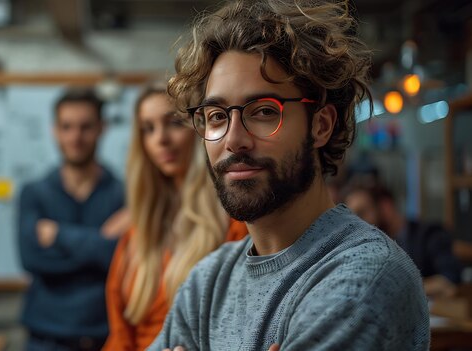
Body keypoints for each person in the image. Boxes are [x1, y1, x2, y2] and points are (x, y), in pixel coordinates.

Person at [149, 0, 429, 350]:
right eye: (217, 116)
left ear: (321, 126)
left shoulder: (364, 277)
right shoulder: (207, 283)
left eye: (264, 111)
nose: (234, 139)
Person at [103, 84, 248, 351]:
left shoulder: (236, 225)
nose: (161, 139)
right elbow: (120, 337)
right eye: (148, 128)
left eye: (173, 122)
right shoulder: (138, 233)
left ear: (201, 128)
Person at [18, 88, 126, 351]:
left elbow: (123, 260)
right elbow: (32, 259)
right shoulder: (33, 194)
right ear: (55, 130)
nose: (75, 137)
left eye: (85, 127)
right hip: (44, 340)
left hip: (107, 339)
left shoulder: (125, 194)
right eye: (67, 127)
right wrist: (99, 243)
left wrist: (58, 236)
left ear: (102, 128)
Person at [343, 180, 463, 298]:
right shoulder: (368, 249)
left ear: (386, 207)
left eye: (361, 213)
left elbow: (450, 280)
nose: (357, 224)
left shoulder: (430, 235)